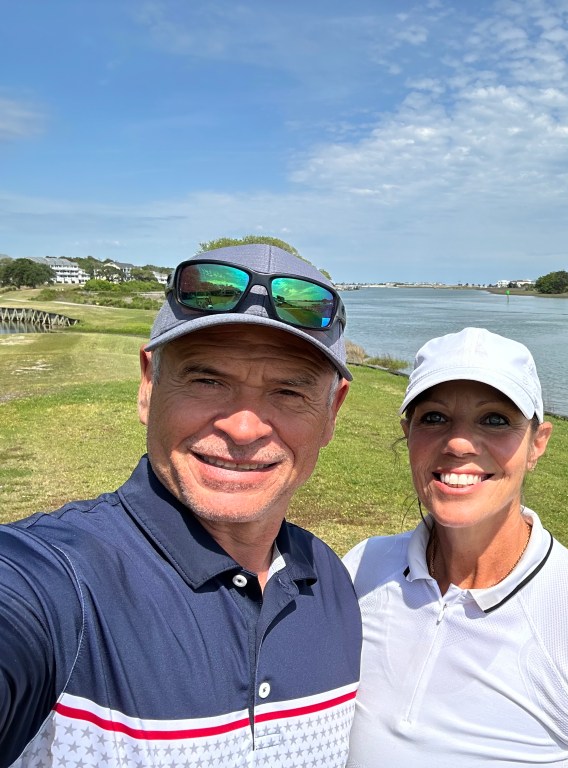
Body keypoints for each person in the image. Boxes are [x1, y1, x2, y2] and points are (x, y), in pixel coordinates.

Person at [0, 244, 361, 767]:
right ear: (149, 384)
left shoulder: (328, 579)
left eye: (287, 391)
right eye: (207, 380)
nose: (243, 427)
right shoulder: (54, 581)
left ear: (333, 411)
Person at [343, 327, 568, 767]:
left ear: (538, 444)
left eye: (495, 419)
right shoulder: (360, 568)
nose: (459, 442)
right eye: (434, 417)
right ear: (409, 434)